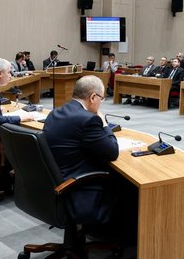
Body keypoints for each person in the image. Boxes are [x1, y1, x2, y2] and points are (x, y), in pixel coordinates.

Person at [43, 75, 124, 226]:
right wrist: (104, 124)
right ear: (93, 97)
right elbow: (112, 152)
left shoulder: (55, 112)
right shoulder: (88, 120)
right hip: (77, 186)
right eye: (102, 98)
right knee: (126, 182)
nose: (101, 102)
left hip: (54, 181)